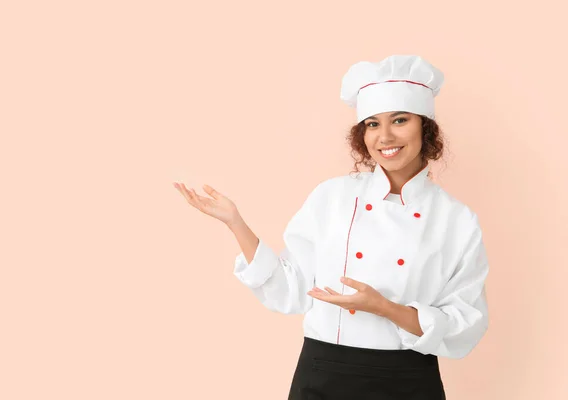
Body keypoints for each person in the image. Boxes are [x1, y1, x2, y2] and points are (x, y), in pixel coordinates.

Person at [173, 54, 489, 400]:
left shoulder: (456, 219)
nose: (385, 136)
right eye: (372, 124)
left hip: (408, 380)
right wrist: (235, 223)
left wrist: (385, 308)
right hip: (324, 374)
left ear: (425, 127)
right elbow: (290, 289)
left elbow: (465, 323)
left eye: (399, 120)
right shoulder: (333, 197)